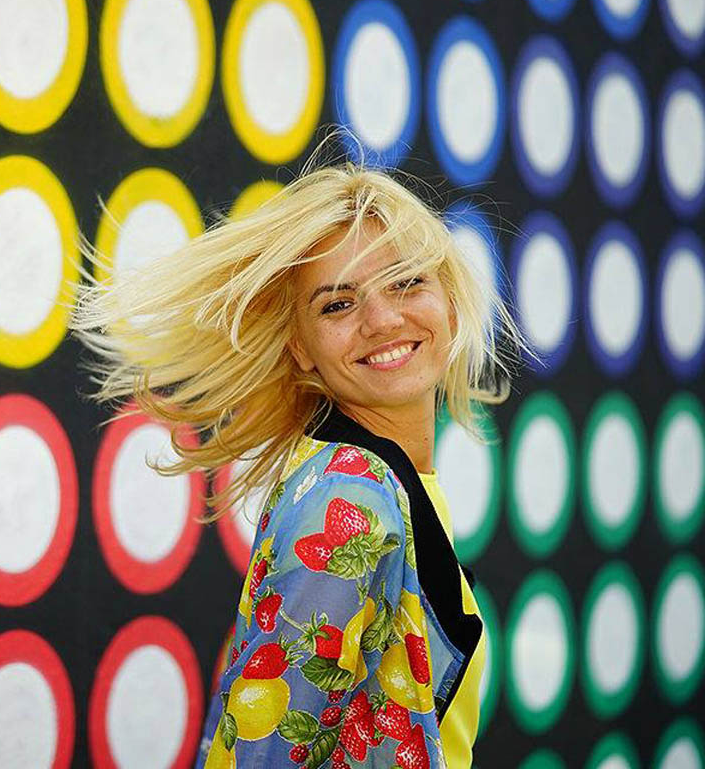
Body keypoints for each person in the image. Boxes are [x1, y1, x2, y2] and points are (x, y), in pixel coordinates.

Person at [69, 136, 530, 768]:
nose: (382, 320)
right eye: (338, 303)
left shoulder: (381, 479)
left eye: (405, 282)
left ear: (448, 299)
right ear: (301, 349)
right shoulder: (352, 499)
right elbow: (266, 752)